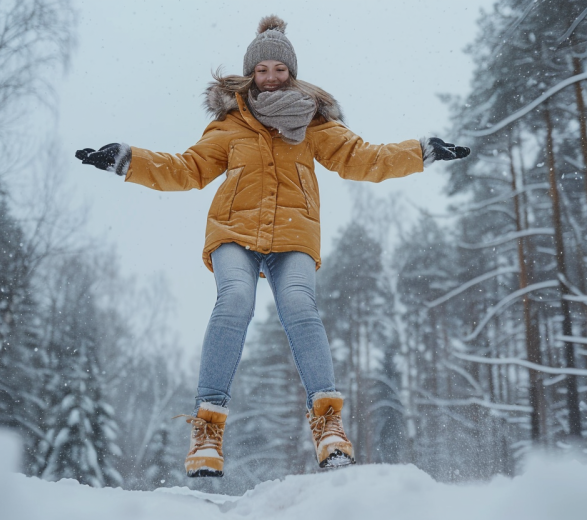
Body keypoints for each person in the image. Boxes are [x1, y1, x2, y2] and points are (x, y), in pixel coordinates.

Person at [76, 15, 470, 478]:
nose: (270, 77)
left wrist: (420, 151)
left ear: (292, 72)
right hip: (233, 233)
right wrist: (128, 159)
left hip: (293, 235)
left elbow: (364, 158)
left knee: (300, 306)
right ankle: (207, 431)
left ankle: (328, 427)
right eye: (262, 69)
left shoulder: (315, 122)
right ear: (251, 73)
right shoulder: (229, 124)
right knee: (235, 301)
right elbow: (187, 169)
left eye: (279, 70)